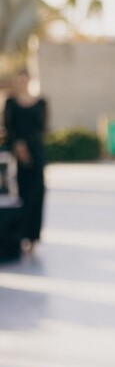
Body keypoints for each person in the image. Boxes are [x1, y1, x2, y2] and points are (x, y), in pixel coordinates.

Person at [3, 68, 47, 255]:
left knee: (37, 194)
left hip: (36, 154)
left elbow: (42, 127)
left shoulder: (41, 102)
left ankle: (33, 237)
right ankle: (20, 236)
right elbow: (8, 126)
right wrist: (18, 146)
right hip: (18, 156)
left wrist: (28, 147)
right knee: (21, 195)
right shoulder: (11, 102)